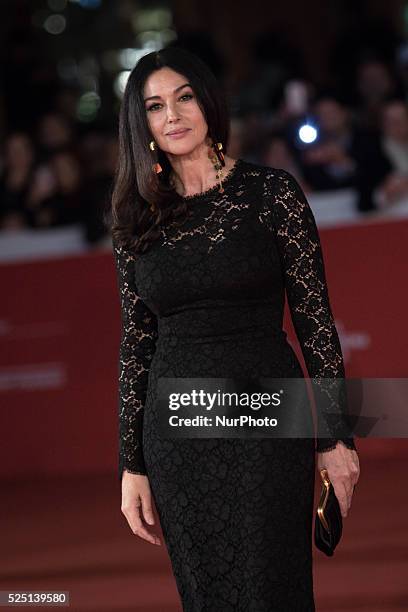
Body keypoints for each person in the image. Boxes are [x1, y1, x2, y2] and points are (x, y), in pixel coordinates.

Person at [107, 47, 360, 612]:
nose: (171, 115)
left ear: (208, 102)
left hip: (266, 416)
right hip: (175, 435)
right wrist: (131, 464)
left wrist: (338, 439)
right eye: (154, 106)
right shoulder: (134, 218)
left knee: (272, 587)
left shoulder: (272, 195)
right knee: (207, 594)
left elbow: (316, 323)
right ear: (140, 123)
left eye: (184, 97)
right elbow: (136, 344)